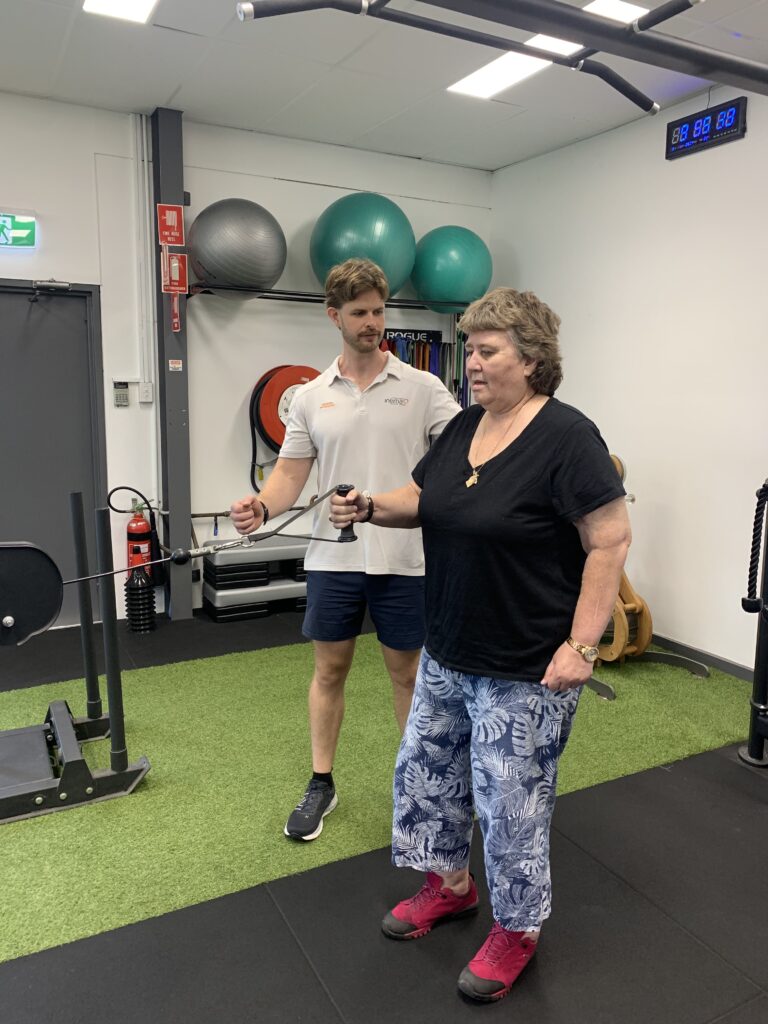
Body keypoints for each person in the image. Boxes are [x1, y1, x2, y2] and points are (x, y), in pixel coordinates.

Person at [329, 287, 631, 1003]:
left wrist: (582, 647)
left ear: (530, 358)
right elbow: (423, 496)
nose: (473, 364)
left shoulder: (567, 437)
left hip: (525, 665)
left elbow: (609, 539)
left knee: (511, 805)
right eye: (471, 350)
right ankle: (452, 886)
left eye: (488, 351)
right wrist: (371, 504)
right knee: (427, 777)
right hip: (449, 650)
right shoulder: (466, 427)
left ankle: (517, 930)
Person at [230, 258, 461, 843]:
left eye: (379, 311)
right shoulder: (309, 397)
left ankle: (418, 784)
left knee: (407, 675)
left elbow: (462, 457)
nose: (372, 322)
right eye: (359, 312)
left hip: (404, 558)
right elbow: (288, 477)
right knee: (328, 669)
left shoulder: (423, 389)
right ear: (333, 315)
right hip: (333, 558)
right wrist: (262, 507)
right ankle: (321, 782)